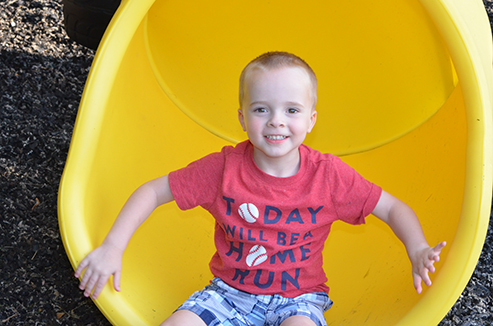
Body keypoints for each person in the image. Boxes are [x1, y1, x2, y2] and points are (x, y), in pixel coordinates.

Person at [75, 51, 446, 326]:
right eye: (261, 109)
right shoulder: (223, 169)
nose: (276, 122)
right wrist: (113, 247)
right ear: (241, 117)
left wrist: (417, 248)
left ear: (312, 119)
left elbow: (393, 207)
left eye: (292, 110)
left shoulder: (328, 175)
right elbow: (153, 191)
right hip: (228, 295)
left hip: (298, 300)